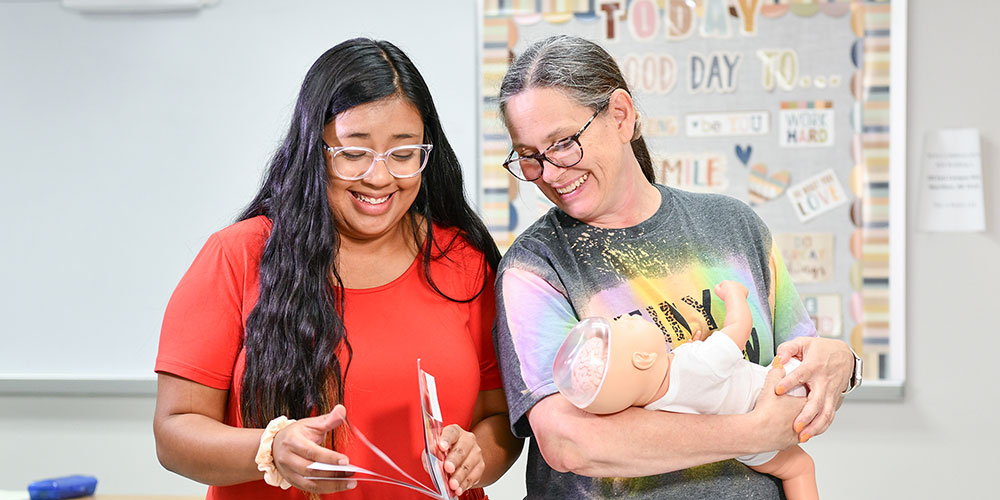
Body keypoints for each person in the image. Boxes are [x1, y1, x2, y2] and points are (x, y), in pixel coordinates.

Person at [492, 35, 861, 499]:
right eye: (527, 155)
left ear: (621, 116)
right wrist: (754, 433)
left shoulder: (734, 228)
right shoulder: (536, 267)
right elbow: (569, 442)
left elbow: (798, 375)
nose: (549, 172)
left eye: (563, 143)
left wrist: (842, 361)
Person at [153, 38, 522, 500]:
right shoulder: (239, 257)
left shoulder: (463, 262)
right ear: (314, 152)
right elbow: (174, 432)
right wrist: (269, 448)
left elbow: (500, 419)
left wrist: (478, 455)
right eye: (354, 154)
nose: (380, 177)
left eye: (404, 155)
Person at [552, 282, 818, 500]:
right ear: (643, 359)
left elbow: (695, 391)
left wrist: (696, 345)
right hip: (783, 393)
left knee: (797, 469)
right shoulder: (698, 364)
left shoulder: (650, 407)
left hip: (749, 451)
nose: (626, 319)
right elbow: (740, 327)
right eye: (625, 323)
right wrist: (735, 295)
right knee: (802, 360)